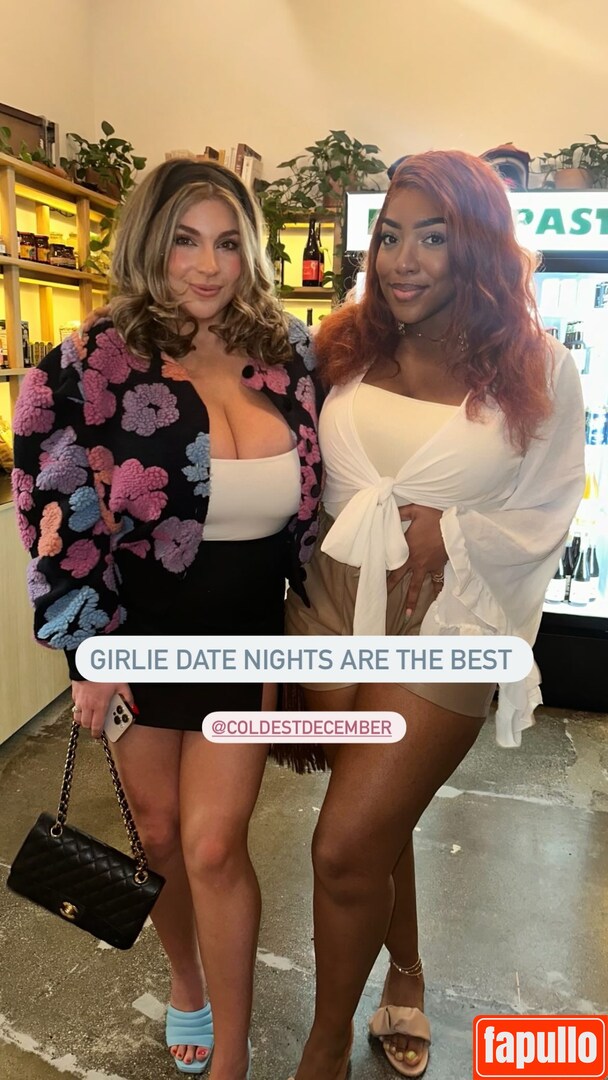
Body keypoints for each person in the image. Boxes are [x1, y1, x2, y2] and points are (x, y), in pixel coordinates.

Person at [12, 158, 323, 1080]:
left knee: (214, 843)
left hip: (246, 637)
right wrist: (88, 654)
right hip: (135, 635)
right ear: (149, 241)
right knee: (156, 835)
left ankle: (230, 1058)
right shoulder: (85, 367)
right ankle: (186, 978)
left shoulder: (292, 355)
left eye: (228, 242)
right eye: (185, 240)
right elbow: (55, 516)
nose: (208, 264)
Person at [284, 149, 585, 1080]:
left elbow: (551, 506)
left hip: (452, 621)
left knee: (343, 847)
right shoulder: (341, 345)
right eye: (390, 236)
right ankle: (406, 967)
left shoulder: (539, 367)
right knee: (373, 811)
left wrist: (451, 532)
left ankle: (324, 1045)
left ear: (480, 247)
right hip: (330, 606)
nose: (403, 260)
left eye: (433, 237)